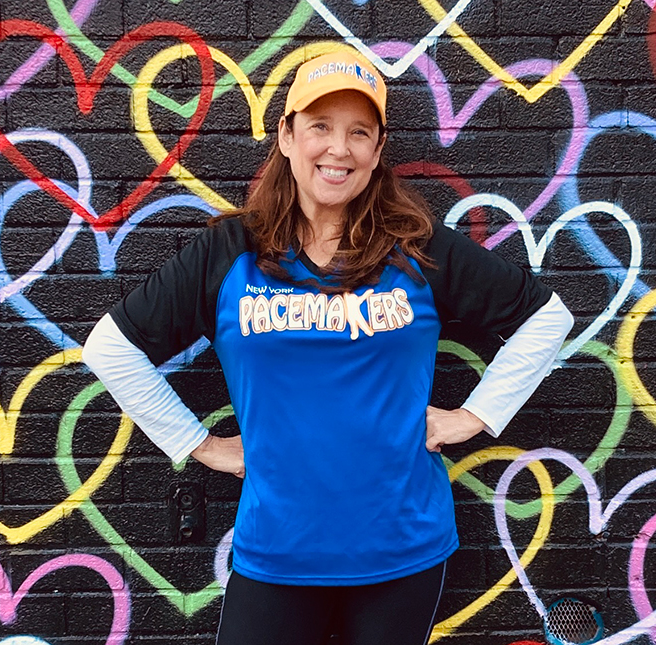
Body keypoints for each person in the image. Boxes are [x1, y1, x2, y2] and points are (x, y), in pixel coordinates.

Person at [81, 49, 574, 645]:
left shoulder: (416, 249)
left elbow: (547, 319)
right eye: (320, 126)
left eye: (358, 133)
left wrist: (475, 416)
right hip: (276, 550)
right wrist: (198, 444)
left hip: (403, 550)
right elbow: (110, 348)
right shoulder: (228, 251)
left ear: (376, 151)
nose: (339, 149)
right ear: (287, 136)